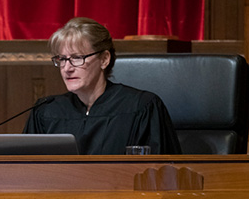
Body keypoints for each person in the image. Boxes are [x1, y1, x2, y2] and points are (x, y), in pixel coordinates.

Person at [23, 17, 182, 155]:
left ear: (104, 59)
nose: (67, 68)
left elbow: (162, 174)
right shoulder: (46, 111)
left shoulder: (142, 107)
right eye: (62, 59)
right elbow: (27, 172)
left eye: (77, 58)